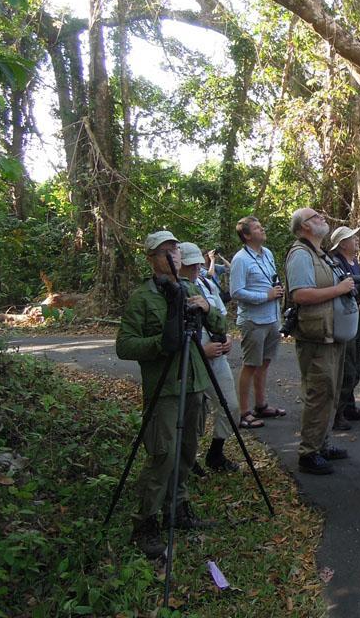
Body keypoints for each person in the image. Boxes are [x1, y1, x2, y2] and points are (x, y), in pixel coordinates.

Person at [116, 231, 226, 559]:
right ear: (152, 259)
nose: (173, 255)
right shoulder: (143, 297)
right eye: (165, 251)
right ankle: (146, 521)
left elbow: (221, 324)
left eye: (176, 249)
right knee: (163, 455)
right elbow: (124, 345)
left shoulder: (192, 288)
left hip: (194, 384)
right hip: (165, 389)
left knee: (188, 452)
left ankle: (177, 508)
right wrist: (159, 345)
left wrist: (207, 308)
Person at [285, 208, 358, 475]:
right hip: (316, 336)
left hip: (332, 333)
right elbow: (301, 295)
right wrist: (339, 289)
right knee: (319, 393)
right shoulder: (300, 255)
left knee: (332, 391)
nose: (322, 218)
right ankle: (308, 453)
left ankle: (322, 443)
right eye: (315, 217)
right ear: (304, 227)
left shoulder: (320, 254)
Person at [179, 242, 240, 474]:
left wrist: (227, 339)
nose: (195, 269)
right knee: (193, 415)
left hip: (216, 358)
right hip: (190, 361)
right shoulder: (175, 291)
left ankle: (216, 452)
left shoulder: (206, 283)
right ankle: (188, 458)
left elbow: (221, 318)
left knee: (231, 406)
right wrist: (200, 351)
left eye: (197, 264)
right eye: (189, 265)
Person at [230, 216, 286, 429]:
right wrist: (266, 296)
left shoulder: (268, 254)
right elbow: (236, 291)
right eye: (256, 228)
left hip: (272, 318)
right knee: (251, 364)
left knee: (265, 362)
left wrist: (276, 293)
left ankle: (261, 405)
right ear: (246, 235)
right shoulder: (240, 259)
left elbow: (271, 281)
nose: (262, 229)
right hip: (253, 320)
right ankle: (244, 412)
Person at [329, 226, 360, 430]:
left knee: (356, 364)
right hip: (344, 319)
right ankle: (337, 413)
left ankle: (349, 406)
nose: (356, 240)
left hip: (358, 318)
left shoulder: (355, 262)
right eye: (351, 238)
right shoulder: (335, 263)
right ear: (342, 243)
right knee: (346, 368)